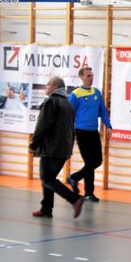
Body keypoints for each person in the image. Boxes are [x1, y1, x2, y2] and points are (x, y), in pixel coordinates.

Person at [29, 76, 84, 219]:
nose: (46, 87)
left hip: (51, 148)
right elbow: (72, 129)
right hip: (63, 148)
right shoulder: (67, 104)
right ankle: (46, 209)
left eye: (48, 84)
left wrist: (33, 144)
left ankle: (74, 199)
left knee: (47, 179)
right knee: (49, 178)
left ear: (54, 86)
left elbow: (43, 125)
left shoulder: (51, 102)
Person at [67, 67, 112, 202]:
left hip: (93, 132)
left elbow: (103, 111)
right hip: (81, 132)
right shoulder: (76, 94)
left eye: (92, 75)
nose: (91, 78)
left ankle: (74, 178)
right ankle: (89, 193)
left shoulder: (96, 93)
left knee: (97, 161)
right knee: (89, 162)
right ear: (81, 77)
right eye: (88, 76)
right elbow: (69, 113)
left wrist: (108, 125)